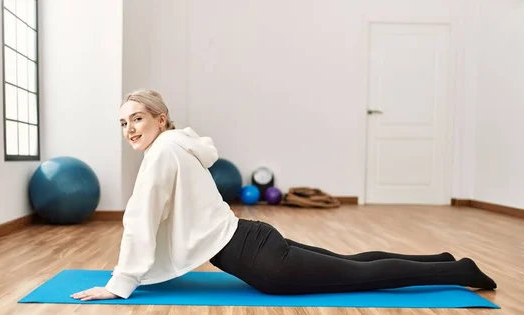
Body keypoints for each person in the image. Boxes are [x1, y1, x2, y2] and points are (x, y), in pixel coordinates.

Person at [71, 89, 497, 301]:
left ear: (160, 119)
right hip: (254, 239)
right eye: (123, 123)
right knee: (349, 265)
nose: (129, 129)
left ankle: (459, 273)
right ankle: (444, 261)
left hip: (263, 262)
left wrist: (121, 282)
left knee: (361, 278)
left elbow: (141, 218)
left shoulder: (161, 152)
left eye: (138, 118)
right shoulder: (178, 143)